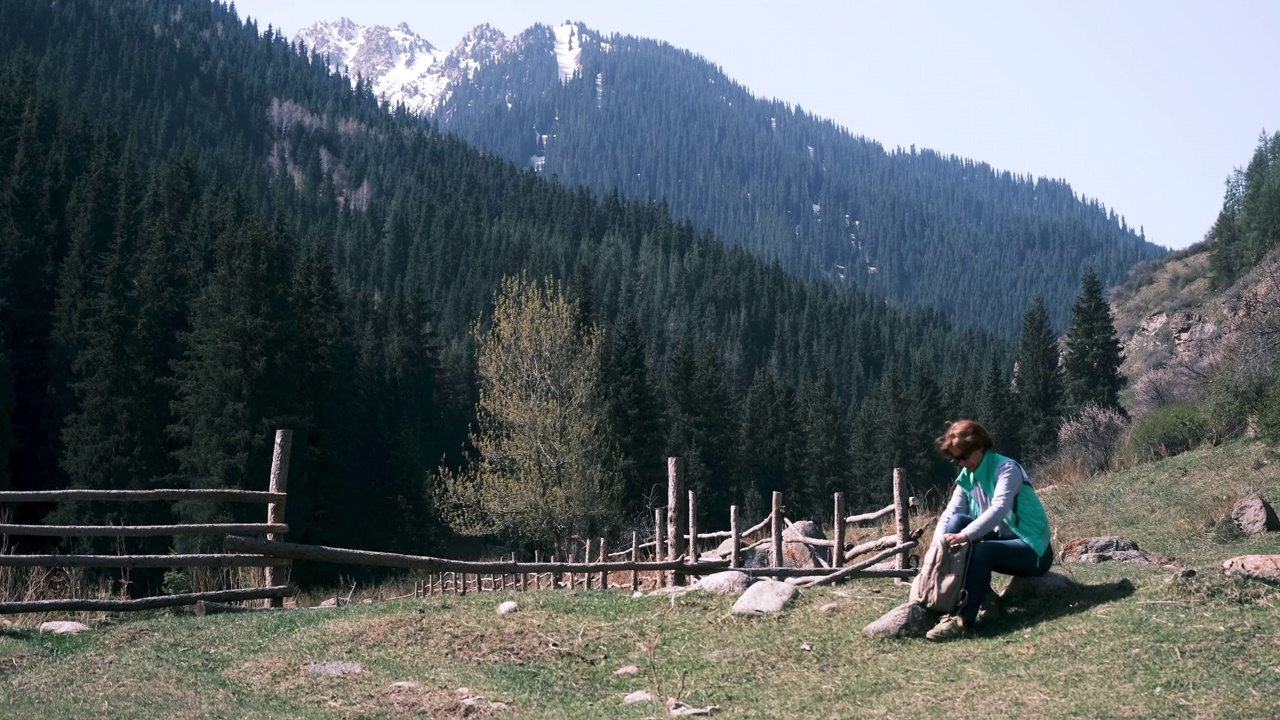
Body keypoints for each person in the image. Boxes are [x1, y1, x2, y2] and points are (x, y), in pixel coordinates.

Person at [925, 419, 1053, 641]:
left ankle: (962, 621)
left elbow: (999, 508)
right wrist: (937, 542)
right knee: (955, 522)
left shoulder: (1006, 468)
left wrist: (966, 536)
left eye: (965, 455)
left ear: (980, 445)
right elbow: (950, 513)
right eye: (957, 459)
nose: (962, 462)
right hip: (1003, 541)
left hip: (1033, 549)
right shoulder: (968, 477)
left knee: (980, 550)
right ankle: (959, 599)